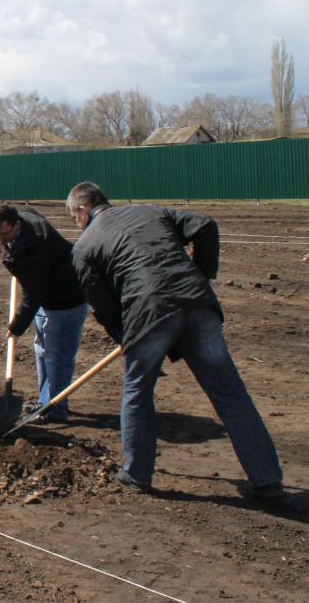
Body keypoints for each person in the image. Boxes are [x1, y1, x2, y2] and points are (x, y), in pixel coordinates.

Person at [67, 181, 283, 498]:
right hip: (197, 304)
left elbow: (103, 305)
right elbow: (206, 225)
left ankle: (137, 474)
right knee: (231, 395)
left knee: (138, 393)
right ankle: (266, 479)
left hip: (149, 310)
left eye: (73, 217)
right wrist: (202, 275)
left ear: (83, 210)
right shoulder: (150, 210)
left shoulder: (84, 246)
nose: (76, 223)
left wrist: (125, 336)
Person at [0, 203, 87, 422]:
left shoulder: (35, 247)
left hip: (66, 299)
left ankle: (56, 410)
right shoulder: (22, 220)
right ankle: (46, 403)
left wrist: (16, 326)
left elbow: (33, 294)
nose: (2, 240)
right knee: (42, 349)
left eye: (6, 234)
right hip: (47, 295)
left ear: (16, 224)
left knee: (57, 356)